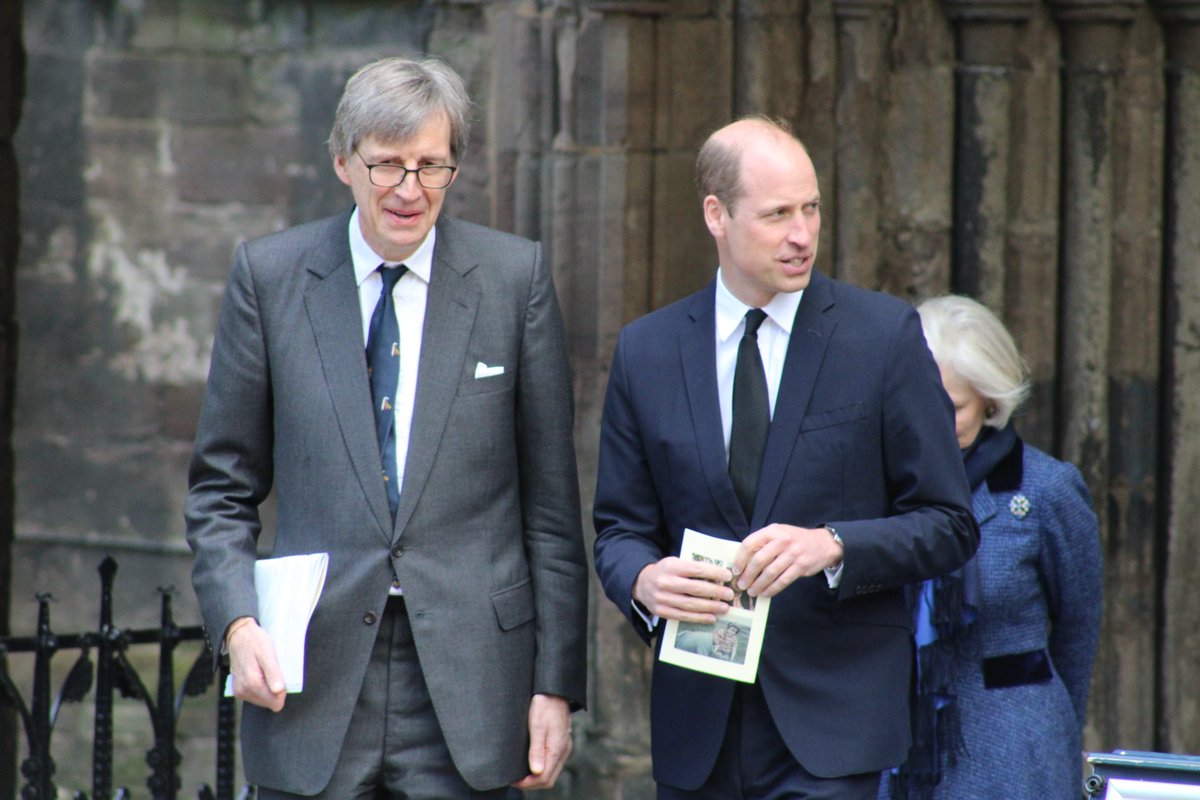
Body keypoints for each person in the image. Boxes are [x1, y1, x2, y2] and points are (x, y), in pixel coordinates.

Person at [185, 56, 587, 799]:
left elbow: (552, 512)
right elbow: (221, 490)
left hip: (471, 691)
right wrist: (238, 627)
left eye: (431, 166)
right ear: (343, 161)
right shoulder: (270, 279)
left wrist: (556, 686)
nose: (409, 190)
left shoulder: (513, 280)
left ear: (455, 169)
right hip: (315, 683)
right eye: (387, 165)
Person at [592, 116, 980, 799]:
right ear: (716, 214)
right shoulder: (646, 351)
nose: (802, 234)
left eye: (811, 209)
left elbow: (950, 523)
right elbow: (619, 529)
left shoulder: (881, 337)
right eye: (776, 215)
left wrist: (831, 546)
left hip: (834, 723)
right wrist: (644, 583)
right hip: (699, 726)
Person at [880, 294, 1102, 799]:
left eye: (953, 406)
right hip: (903, 742)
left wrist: (1060, 732)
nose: (934, 420)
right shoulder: (882, 484)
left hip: (1013, 743)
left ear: (990, 398)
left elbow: (1079, 624)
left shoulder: (1046, 488)